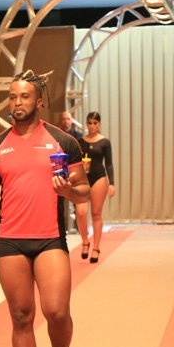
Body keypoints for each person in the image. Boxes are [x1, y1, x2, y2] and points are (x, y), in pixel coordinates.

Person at [0, 69, 90, 347]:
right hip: (11, 240)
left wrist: (68, 192)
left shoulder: (63, 142)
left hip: (49, 239)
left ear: (39, 101)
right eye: (12, 97)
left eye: (24, 96)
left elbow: (83, 192)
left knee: (56, 311)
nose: (17, 102)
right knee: (20, 316)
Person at [76, 111, 115, 263]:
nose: (92, 126)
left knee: (96, 213)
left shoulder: (104, 142)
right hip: (83, 178)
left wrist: (112, 183)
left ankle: (96, 247)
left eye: (95, 123)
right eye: (90, 123)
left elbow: (109, 164)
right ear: (86, 124)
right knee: (81, 212)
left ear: (99, 124)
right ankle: (85, 241)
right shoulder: (80, 141)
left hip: (99, 177)